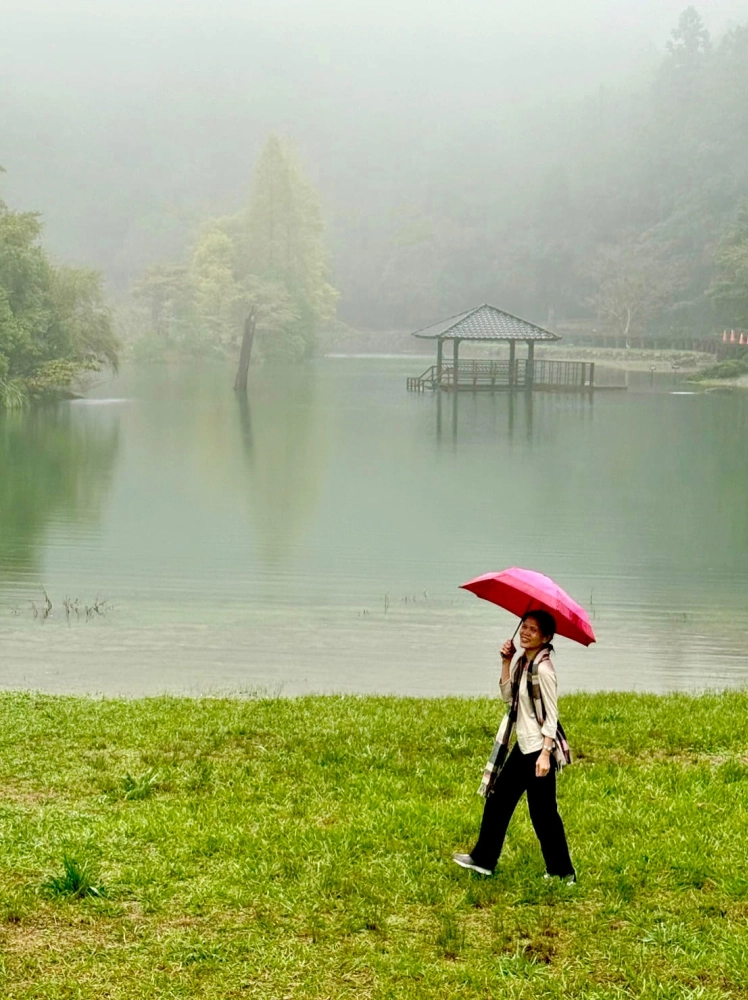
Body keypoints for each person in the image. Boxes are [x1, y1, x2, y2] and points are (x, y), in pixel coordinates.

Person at [452, 610, 576, 882]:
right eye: (525, 627)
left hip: (536, 752)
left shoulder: (543, 669)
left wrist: (545, 755)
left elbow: (552, 716)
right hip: (525, 747)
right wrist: (506, 662)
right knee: (499, 801)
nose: (525, 633)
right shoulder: (524, 663)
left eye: (533, 630)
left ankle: (563, 873)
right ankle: (484, 859)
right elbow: (508, 697)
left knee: (543, 816)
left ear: (546, 637)